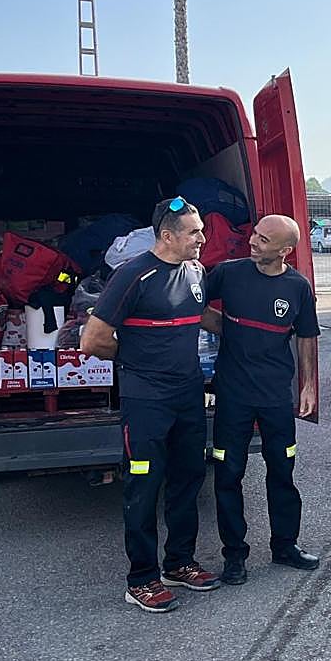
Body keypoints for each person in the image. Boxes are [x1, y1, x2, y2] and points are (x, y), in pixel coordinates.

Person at [84, 196, 219, 613]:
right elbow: (93, 340)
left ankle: (179, 563)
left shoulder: (195, 271)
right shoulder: (132, 275)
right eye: (194, 231)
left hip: (187, 395)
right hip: (146, 401)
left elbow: (202, 317)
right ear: (167, 236)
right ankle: (141, 578)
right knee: (144, 485)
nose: (203, 237)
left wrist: (243, 333)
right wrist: (135, 362)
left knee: (188, 478)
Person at [201, 214, 321, 585]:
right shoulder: (229, 273)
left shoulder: (298, 287)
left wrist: (308, 385)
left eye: (263, 239)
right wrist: (227, 329)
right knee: (228, 474)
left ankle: (285, 545)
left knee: (282, 473)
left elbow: (306, 337)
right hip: (233, 395)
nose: (252, 241)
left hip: (275, 398)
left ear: (285, 250)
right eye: (254, 233)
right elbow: (191, 301)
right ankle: (234, 555)